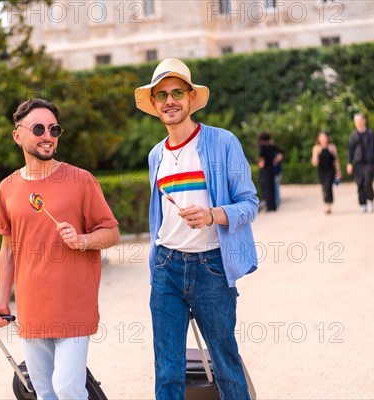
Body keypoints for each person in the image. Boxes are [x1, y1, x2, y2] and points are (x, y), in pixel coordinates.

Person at [134, 58, 258, 399]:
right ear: (156, 105)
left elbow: (250, 204)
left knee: (226, 365)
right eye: (161, 95)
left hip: (211, 269)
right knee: (167, 369)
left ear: (190, 98)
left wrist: (212, 214)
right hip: (166, 269)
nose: (169, 100)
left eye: (177, 92)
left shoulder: (223, 142)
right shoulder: (155, 155)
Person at [0, 98, 120, 399]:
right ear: (18, 136)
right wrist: (0, 302)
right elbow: (8, 249)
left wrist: (83, 240)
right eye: (38, 128)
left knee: (68, 388)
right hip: (32, 307)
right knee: (44, 392)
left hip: (74, 305)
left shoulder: (81, 180)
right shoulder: (7, 188)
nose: (48, 135)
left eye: (54, 129)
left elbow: (112, 233)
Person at [346, 113, 374, 212]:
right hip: (358, 163)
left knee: (367, 182)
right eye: (357, 122)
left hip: (369, 162)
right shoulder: (353, 135)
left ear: (364, 121)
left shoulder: (371, 133)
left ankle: (370, 200)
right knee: (359, 183)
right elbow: (350, 150)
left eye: (360, 121)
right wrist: (349, 163)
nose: (359, 123)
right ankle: (362, 203)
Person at [311, 131, 342, 214]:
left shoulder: (332, 147)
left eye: (324, 137)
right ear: (318, 139)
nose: (323, 139)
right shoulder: (316, 148)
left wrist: (338, 172)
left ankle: (328, 205)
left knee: (328, 186)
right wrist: (315, 160)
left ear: (327, 138)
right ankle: (326, 202)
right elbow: (314, 162)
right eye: (321, 137)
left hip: (330, 170)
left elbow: (336, 160)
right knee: (324, 188)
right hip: (321, 171)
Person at [257, 132, 284, 211]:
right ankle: (273, 206)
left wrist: (261, 164)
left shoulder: (262, 147)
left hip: (265, 170)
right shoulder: (272, 146)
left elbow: (261, 158)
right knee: (272, 187)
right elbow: (282, 152)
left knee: (265, 188)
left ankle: (269, 207)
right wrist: (276, 160)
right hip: (272, 169)